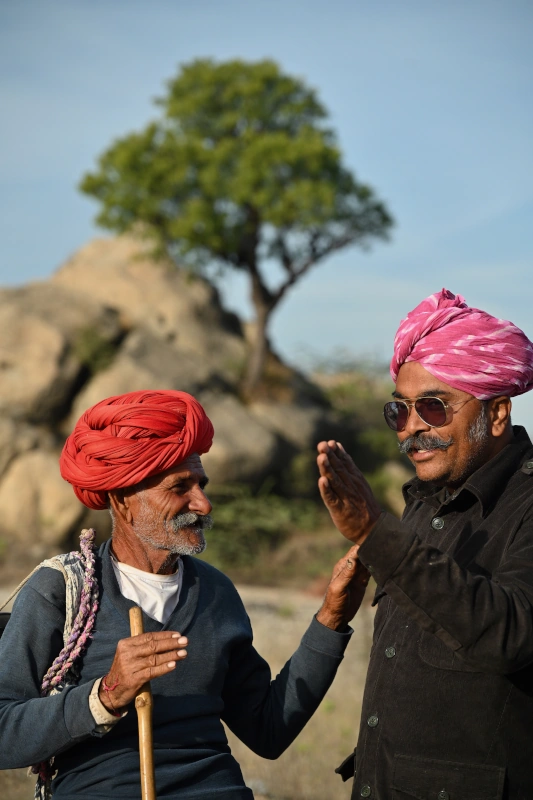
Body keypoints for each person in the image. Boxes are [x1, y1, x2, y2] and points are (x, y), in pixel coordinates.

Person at [0, 389, 367, 800]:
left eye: (202, 485)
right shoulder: (62, 589)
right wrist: (105, 695)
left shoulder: (215, 592)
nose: (203, 504)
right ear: (122, 500)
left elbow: (269, 730)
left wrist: (331, 619)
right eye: (180, 487)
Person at [317, 289, 533, 800]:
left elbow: (512, 633)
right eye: (400, 410)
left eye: (433, 408)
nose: (411, 428)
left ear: (496, 414)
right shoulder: (423, 502)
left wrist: (377, 535)